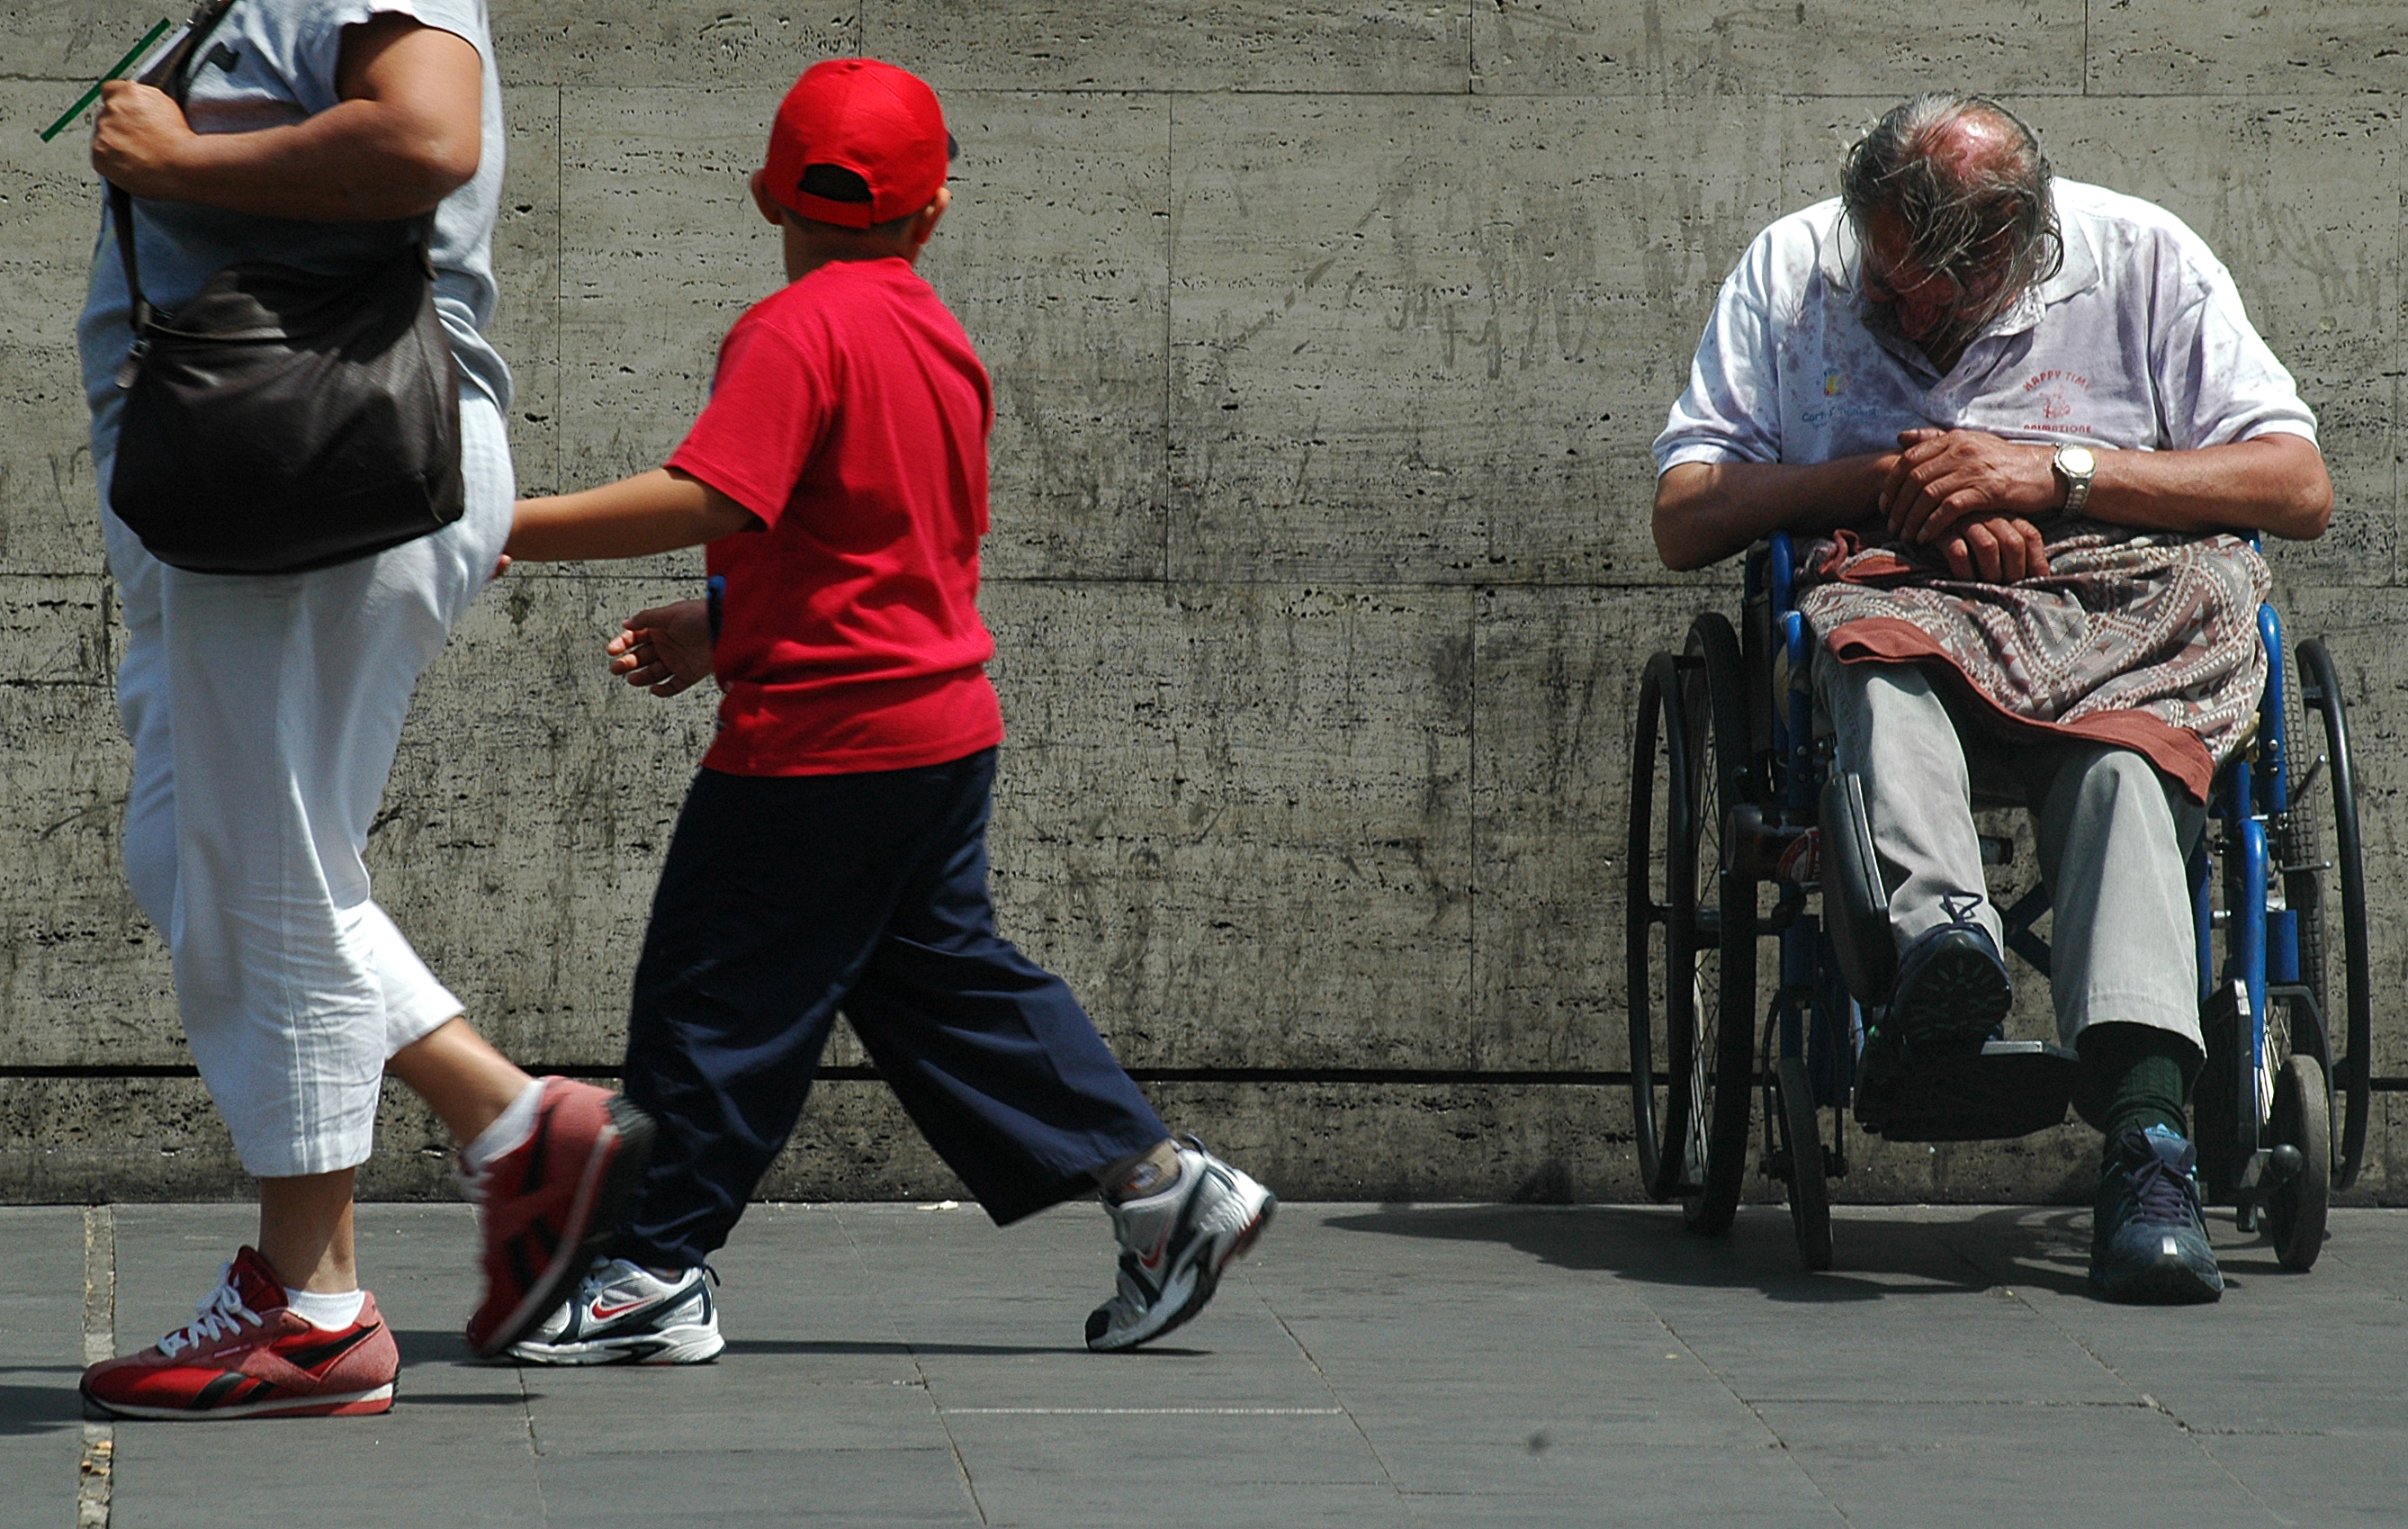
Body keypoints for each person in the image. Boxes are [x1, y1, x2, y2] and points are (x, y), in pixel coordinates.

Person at [499, 58, 1274, 1364]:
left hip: (819, 747)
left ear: (765, 196)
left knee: (713, 1000)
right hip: (938, 731)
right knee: (940, 982)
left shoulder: (792, 330)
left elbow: (717, 497)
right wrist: (728, 626)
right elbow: (880, 551)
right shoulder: (938, 341)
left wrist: (503, 524)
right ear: (936, 211)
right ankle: (1156, 1187)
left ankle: (655, 1272)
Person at [1652, 93, 2332, 1303]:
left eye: (1945, 294)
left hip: (2121, 603)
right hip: (1901, 588)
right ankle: (1938, 955)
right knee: (1871, 661)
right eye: (1890, 277)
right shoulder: (1795, 264)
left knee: (2130, 762)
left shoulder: (2142, 256)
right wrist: (1900, 482)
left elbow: (2293, 484)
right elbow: (1687, 516)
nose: (1907, 313)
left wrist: (2051, 477)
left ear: (2029, 245)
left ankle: (2148, 1140)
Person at [75, 1, 653, 1420]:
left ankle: (312, 1309)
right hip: (252, 463)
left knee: (268, 876)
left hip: (311, 442)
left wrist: (175, 156)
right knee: (195, 851)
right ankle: (508, 1121)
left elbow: (426, 133)